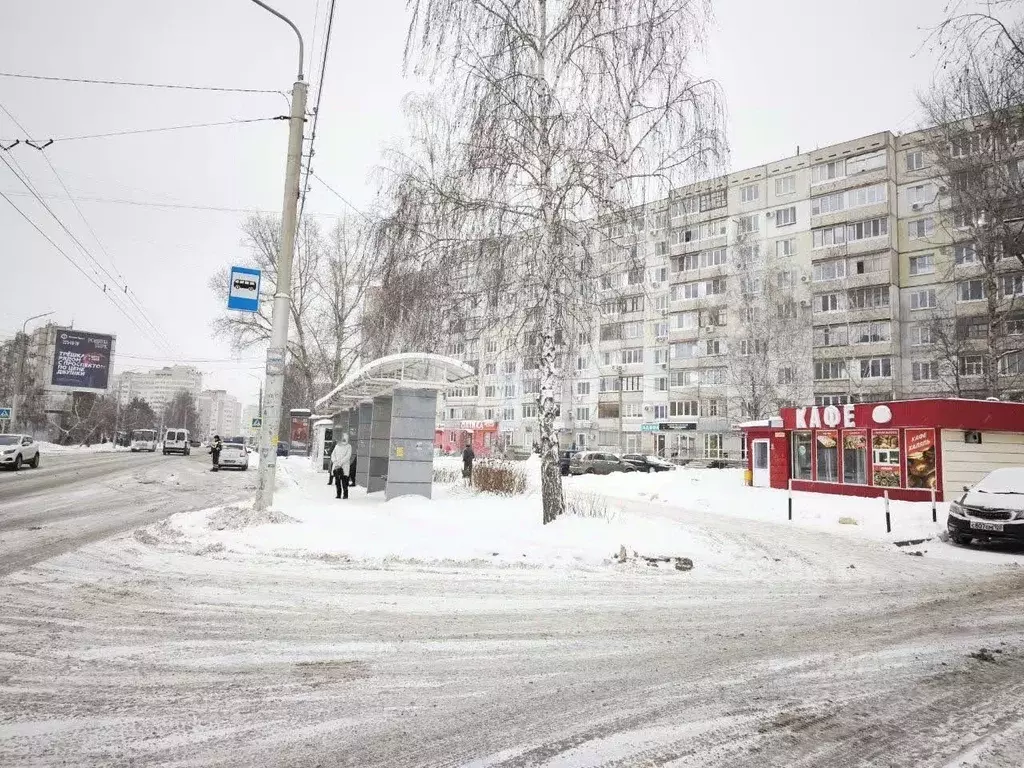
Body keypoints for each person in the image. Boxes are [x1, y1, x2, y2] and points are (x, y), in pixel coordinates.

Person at [330, 434, 353, 499]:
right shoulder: (337, 446)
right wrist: (335, 461)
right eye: (342, 439)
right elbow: (333, 455)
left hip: (344, 467)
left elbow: (348, 456)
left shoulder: (349, 446)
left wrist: (339, 463)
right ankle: (338, 494)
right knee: (337, 482)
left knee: (344, 482)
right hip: (336, 467)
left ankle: (345, 495)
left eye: (344, 439)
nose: (343, 440)